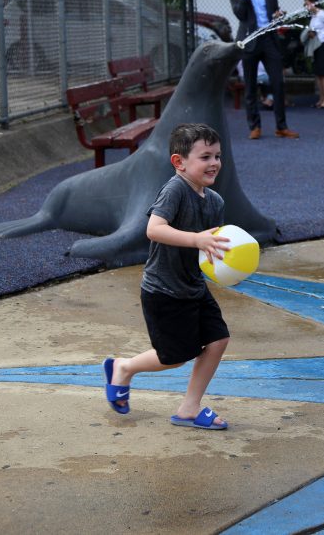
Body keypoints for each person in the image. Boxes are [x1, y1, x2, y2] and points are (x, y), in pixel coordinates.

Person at [103, 123, 232, 429]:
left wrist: (227, 264)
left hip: (193, 287)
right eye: (205, 157)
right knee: (174, 357)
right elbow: (154, 229)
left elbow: (211, 248)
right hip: (164, 291)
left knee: (218, 340)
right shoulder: (175, 189)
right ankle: (123, 367)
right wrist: (197, 239)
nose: (214, 162)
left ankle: (189, 408)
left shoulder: (215, 202)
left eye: (217, 156)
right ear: (179, 162)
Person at [228, 0, 299, 139]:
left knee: (278, 83)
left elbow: (273, 12)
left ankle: (281, 127)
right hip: (250, 41)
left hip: (269, 40)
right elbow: (240, 15)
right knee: (250, 87)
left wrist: (278, 14)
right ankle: (255, 127)